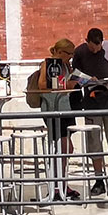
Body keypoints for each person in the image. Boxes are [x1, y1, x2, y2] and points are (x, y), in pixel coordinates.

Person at [71, 27, 108, 196]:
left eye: (98, 48)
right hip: (91, 101)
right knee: (94, 142)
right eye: (92, 47)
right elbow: (73, 75)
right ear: (87, 41)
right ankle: (99, 180)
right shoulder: (80, 52)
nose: (95, 50)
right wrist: (88, 79)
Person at [32, 38, 79, 200]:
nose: (71, 57)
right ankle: (57, 184)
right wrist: (66, 85)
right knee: (61, 147)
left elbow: (69, 80)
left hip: (66, 108)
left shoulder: (66, 65)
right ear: (59, 52)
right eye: (69, 54)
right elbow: (42, 85)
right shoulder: (48, 65)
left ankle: (62, 183)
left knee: (66, 147)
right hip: (53, 108)